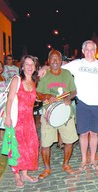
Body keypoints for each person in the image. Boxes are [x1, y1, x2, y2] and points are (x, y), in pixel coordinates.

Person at [39, 40, 98, 171]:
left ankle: (93, 159)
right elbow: (58, 66)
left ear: (95, 51)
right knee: (83, 134)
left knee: (94, 134)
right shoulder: (77, 64)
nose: (89, 52)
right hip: (82, 104)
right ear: (83, 51)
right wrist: (45, 67)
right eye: (87, 49)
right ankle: (84, 160)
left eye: (92, 49)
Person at [36, 50, 79, 179]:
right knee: (45, 143)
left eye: (57, 59)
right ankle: (47, 168)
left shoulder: (67, 74)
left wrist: (69, 98)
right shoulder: (45, 76)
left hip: (65, 113)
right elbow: (38, 93)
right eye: (52, 59)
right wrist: (48, 95)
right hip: (48, 114)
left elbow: (74, 91)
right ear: (48, 61)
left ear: (61, 61)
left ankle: (66, 164)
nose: (55, 61)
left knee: (69, 141)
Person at [4, 55, 39, 188]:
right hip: (16, 119)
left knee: (30, 146)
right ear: (22, 66)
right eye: (27, 64)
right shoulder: (16, 80)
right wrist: (8, 117)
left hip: (29, 121)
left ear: (35, 67)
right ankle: (17, 176)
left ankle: (25, 173)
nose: (30, 67)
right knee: (16, 148)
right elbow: (10, 99)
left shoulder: (34, 82)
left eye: (32, 64)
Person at [0, 60, 7, 147]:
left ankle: (2, 138)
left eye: (1, 66)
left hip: (3, 103)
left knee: (2, 120)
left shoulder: (3, 78)